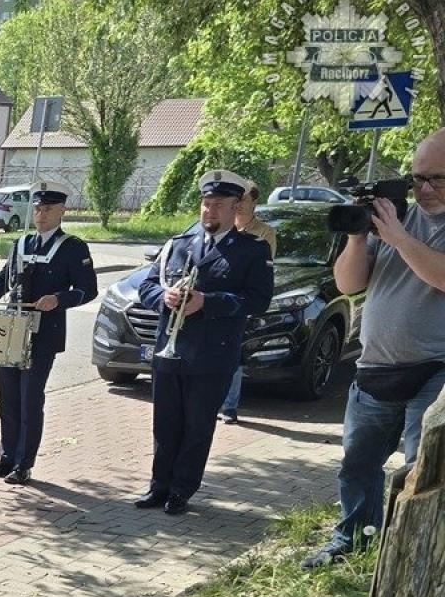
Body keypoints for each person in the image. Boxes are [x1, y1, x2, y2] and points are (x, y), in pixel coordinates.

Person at [304, 128, 445, 568]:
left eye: (436, 179)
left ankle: (415, 555)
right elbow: (349, 284)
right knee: (358, 466)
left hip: (435, 367)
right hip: (376, 365)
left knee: (422, 469)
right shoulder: (396, 218)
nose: (423, 189)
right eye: (417, 178)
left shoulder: (400, 227)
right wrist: (358, 236)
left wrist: (398, 236)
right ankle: (354, 540)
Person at [133, 170, 274, 515]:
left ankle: (181, 490)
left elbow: (258, 300)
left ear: (235, 208)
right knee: (165, 424)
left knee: (197, 426)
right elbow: (147, 286)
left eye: (219, 205)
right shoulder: (178, 245)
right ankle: (158, 486)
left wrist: (207, 302)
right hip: (170, 349)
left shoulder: (252, 250)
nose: (210, 211)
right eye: (206, 204)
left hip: (212, 353)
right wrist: (163, 297)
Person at [0, 181, 97, 485]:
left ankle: (23, 463)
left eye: (48, 209)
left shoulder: (73, 247)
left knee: (30, 400)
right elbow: (4, 276)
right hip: (11, 330)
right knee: (8, 400)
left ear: (61, 211)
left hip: (43, 334)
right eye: (38, 209)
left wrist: (58, 299)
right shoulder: (22, 243)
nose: (41, 215)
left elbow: (88, 289)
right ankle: (6, 458)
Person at [218, 183, 280, 424]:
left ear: (254, 202)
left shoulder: (264, 233)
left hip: (242, 300)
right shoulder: (222, 226)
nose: (239, 204)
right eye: (236, 199)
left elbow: (261, 269)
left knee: (234, 352)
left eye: (244, 199)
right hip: (216, 299)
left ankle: (229, 406)